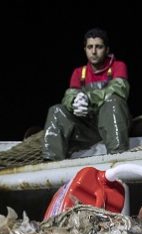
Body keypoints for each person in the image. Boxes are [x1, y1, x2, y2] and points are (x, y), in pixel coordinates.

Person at [42, 28, 131, 162]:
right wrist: (74, 101)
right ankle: (50, 163)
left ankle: (118, 158)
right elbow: (68, 95)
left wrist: (89, 98)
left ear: (107, 49)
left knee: (113, 102)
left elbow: (119, 89)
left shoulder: (118, 66)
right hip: (89, 129)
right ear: (85, 49)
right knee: (56, 110)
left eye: (99, 47)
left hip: (113, 125)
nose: (94, 51)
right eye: (90, 47)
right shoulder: (79, 73)